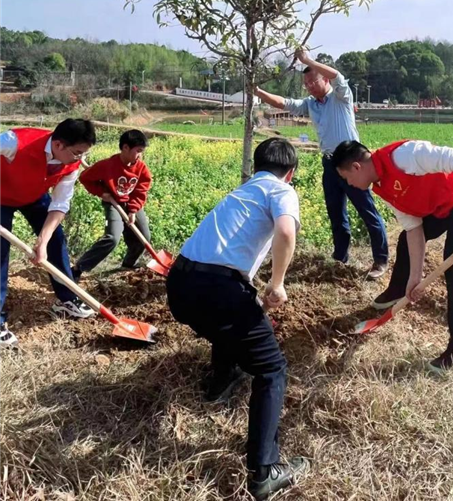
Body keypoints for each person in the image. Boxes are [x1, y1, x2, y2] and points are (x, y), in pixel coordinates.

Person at [166, 138, 309, 500]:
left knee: (236, 314)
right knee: (271, 369)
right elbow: (287, 231)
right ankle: (265, 472)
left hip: (180, 284)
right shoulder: (281, 190)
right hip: (218, 288)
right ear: (289, 173)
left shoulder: (240, 193)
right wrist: (277, 285)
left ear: (256, 166)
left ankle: (221, 378)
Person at [331, 138, 453, 370]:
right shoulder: (382, 186)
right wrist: (415, 277)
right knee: (406, 239)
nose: (350, 184)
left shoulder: (404, 156)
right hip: (440, 208)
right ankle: (398, 288)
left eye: (347, 178)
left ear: (356, 167)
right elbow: (414, 228)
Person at [255, 48, 388, 280]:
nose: (309, 86)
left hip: (353, 163)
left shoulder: (341, 96)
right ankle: (340, 257)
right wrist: (257, 91)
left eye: (313, 81)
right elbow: (284, 103)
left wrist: (307, 60)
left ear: (324, 79)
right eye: (306, 83)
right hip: (330, 164)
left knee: (367, 211)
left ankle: (380, 260)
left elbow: (338, 77)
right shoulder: (310, 104)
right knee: (336, 213)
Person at [0, 119, 97, 348]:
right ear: (59, 145)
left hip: (33, 196)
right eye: (77, 153)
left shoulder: (70, 165)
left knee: (56, 239)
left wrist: (42, 241)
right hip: (1, 196)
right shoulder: (15, 141)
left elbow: (60, 205)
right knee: (0, 254)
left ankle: (67, 299)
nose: (80, 160)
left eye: (84, 154)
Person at [72, 129, 153, 279]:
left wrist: (133, 210)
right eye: (138, 151)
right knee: (112, 238)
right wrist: (102, 194)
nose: (140, 155)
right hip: (113, 203)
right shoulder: (107, 165)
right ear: (125, 148)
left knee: (144, 237)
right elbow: (85, 178)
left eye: (142, 151)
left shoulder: (141, 168)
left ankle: (128, 263)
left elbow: (142, 189)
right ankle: (78, 268)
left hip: (132, 203)